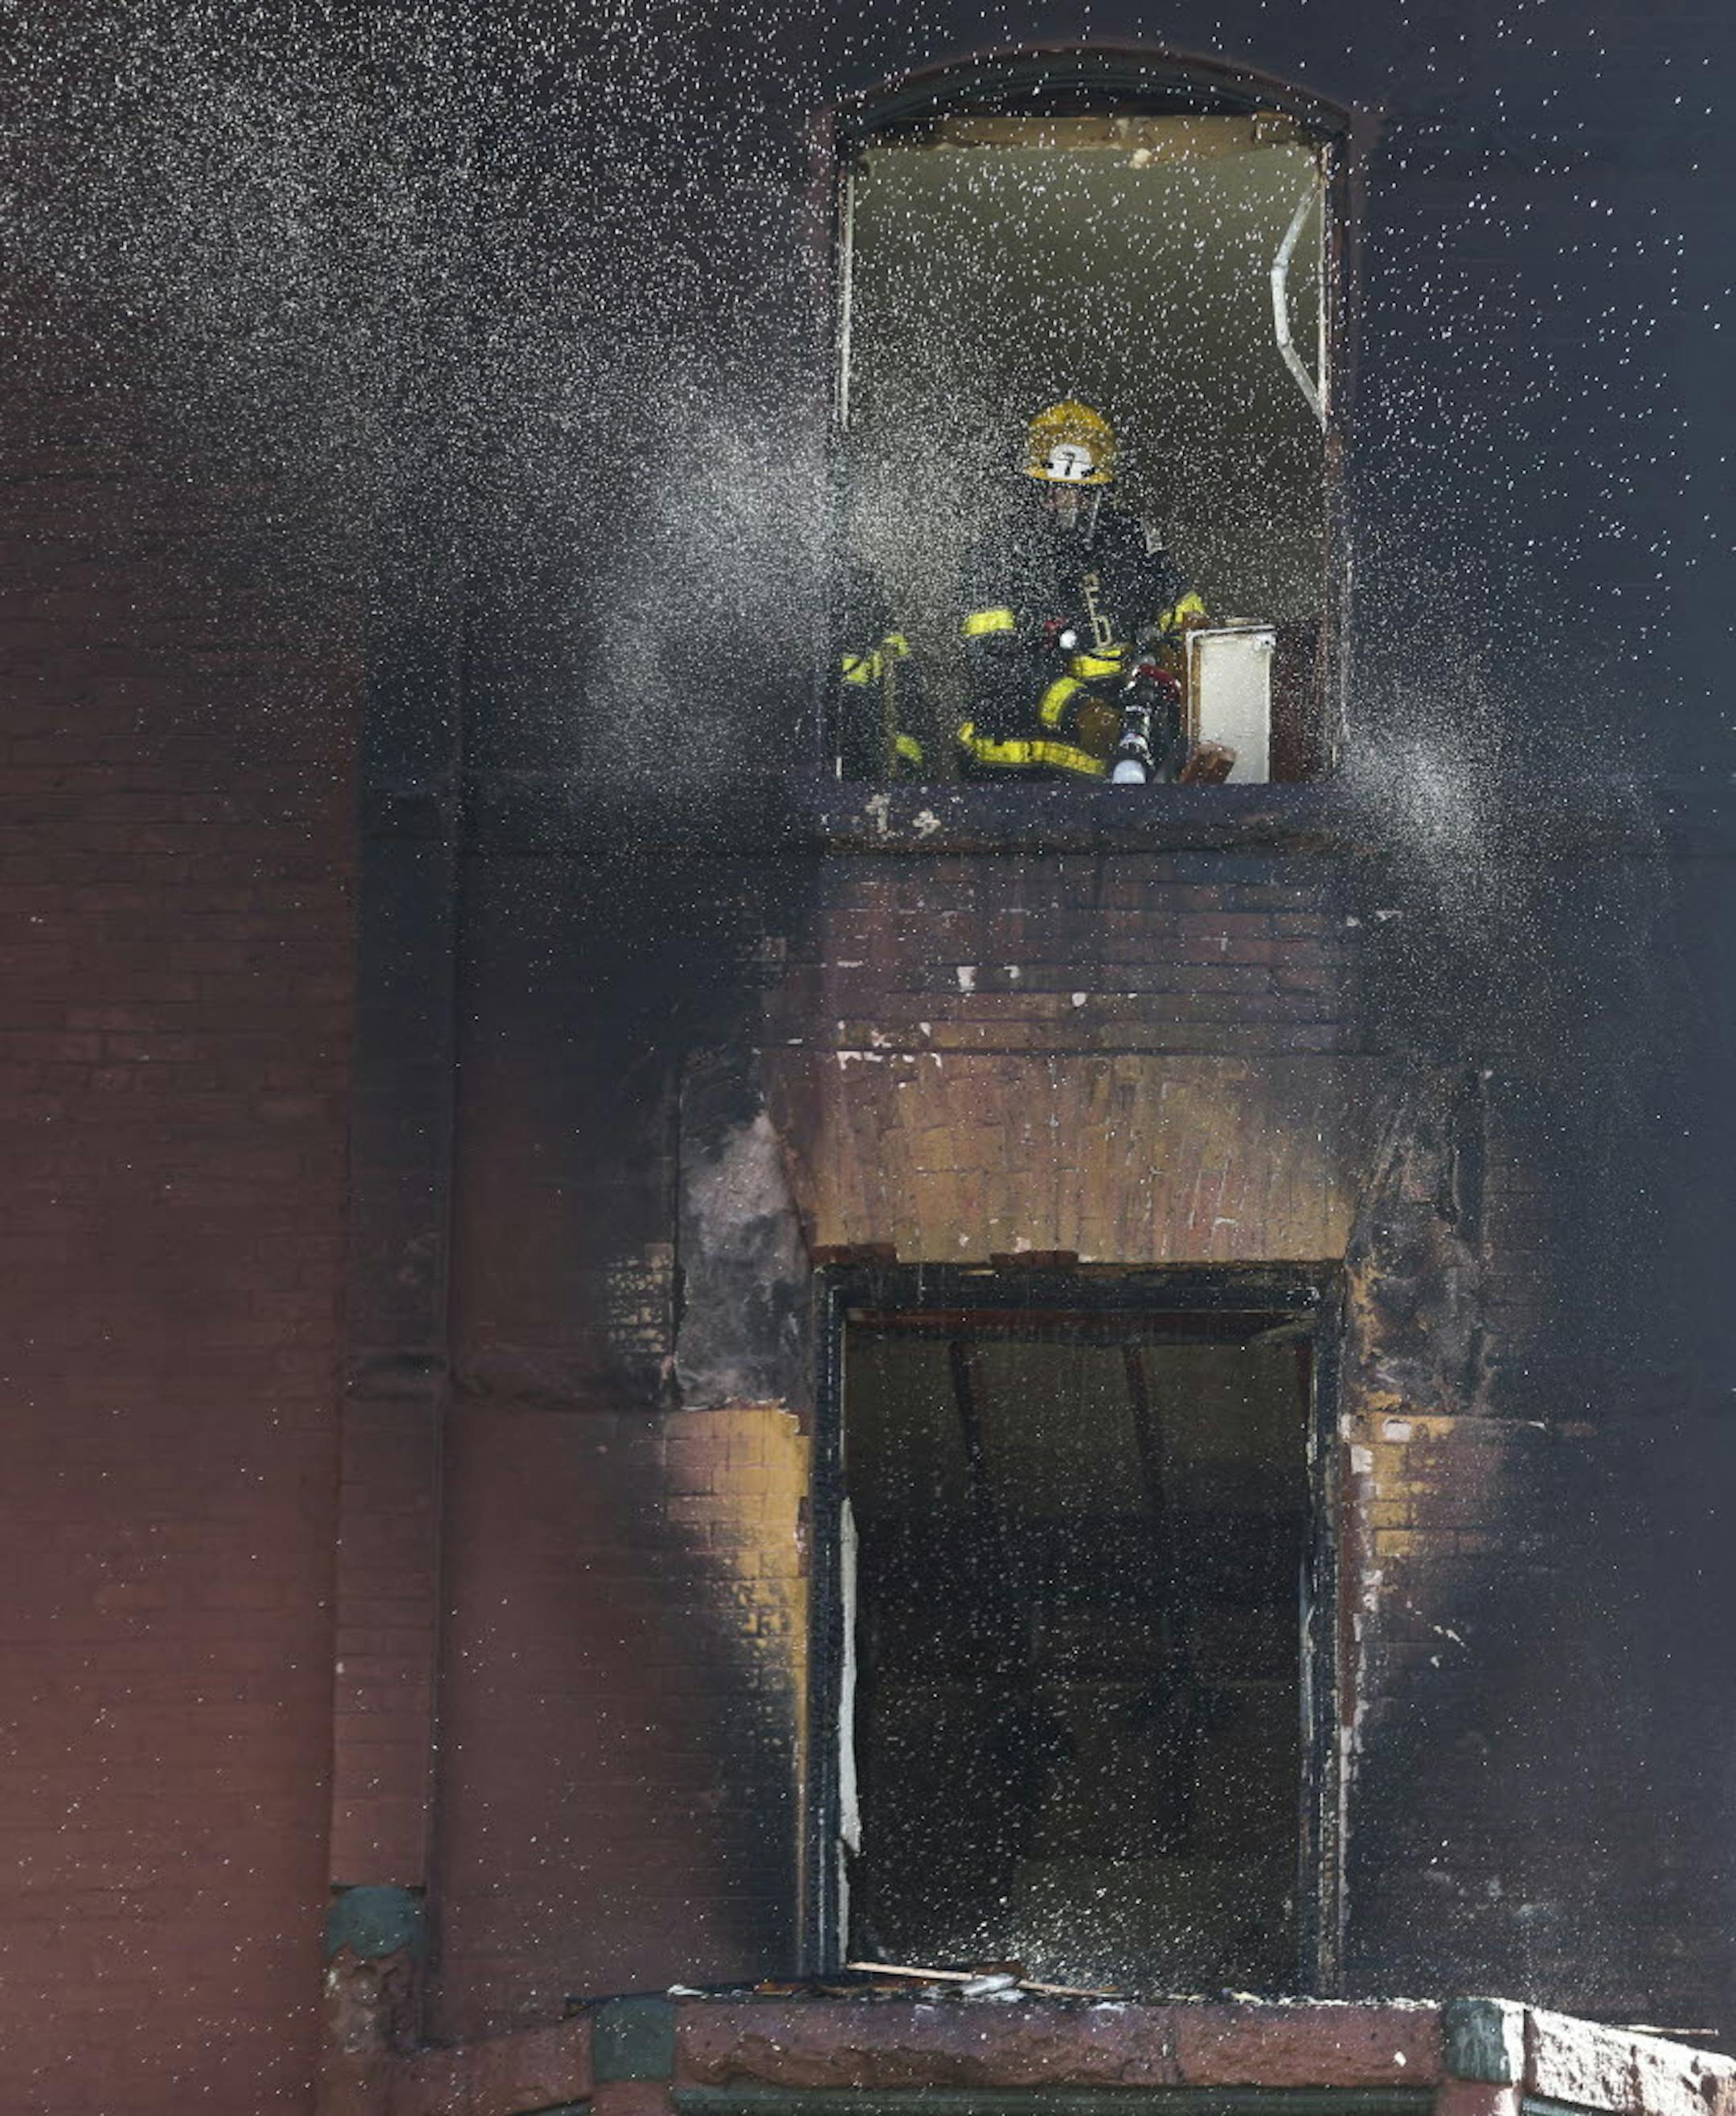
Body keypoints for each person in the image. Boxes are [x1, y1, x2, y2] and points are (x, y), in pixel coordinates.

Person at [956, 400, 1208, 781]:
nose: (1068, 507)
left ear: (1104, 493)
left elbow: (1190, 623)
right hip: (1010, 778)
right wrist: (1078, 711)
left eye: (1083, 495)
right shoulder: (998, 556)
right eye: (1057, 492)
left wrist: (1178, 662)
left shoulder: (1132, 544)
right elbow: (994, 666)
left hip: (1113, 775)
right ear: (1034, 488)